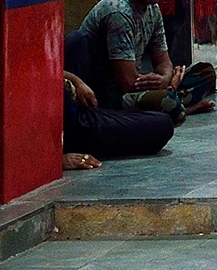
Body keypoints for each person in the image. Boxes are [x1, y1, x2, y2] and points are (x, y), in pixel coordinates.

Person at [77, 0, 216, 122]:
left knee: (206, 73)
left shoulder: (153, 8)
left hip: (139, 84)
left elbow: (163, 61)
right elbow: (127, 83)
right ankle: (182, 108)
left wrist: (165, 79)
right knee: (166, 101)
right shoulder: (118, 11)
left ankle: (173, 103)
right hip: (109, 94)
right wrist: (170, 85)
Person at [62, 32, 174, 170]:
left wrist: (76, 81)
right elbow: (129, 82)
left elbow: (164, 62)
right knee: (163, 123)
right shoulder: (119, 19)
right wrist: (58, 158)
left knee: (80, 39)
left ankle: (105, 114)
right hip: (73, 123)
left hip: (78, 101)